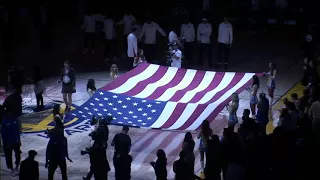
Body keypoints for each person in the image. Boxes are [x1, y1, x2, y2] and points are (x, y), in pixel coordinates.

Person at [1, 104, 21, 177]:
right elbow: (3, 134)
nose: (11, 113)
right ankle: (11, 169)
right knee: (8, 156)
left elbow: (17, 131)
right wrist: (6, 143)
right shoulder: (4, 122)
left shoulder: (15, 120)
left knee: (18, 155)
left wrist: (19, 140)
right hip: (8, 143)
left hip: (15, 141)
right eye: (9, 112)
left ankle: (16, 167)